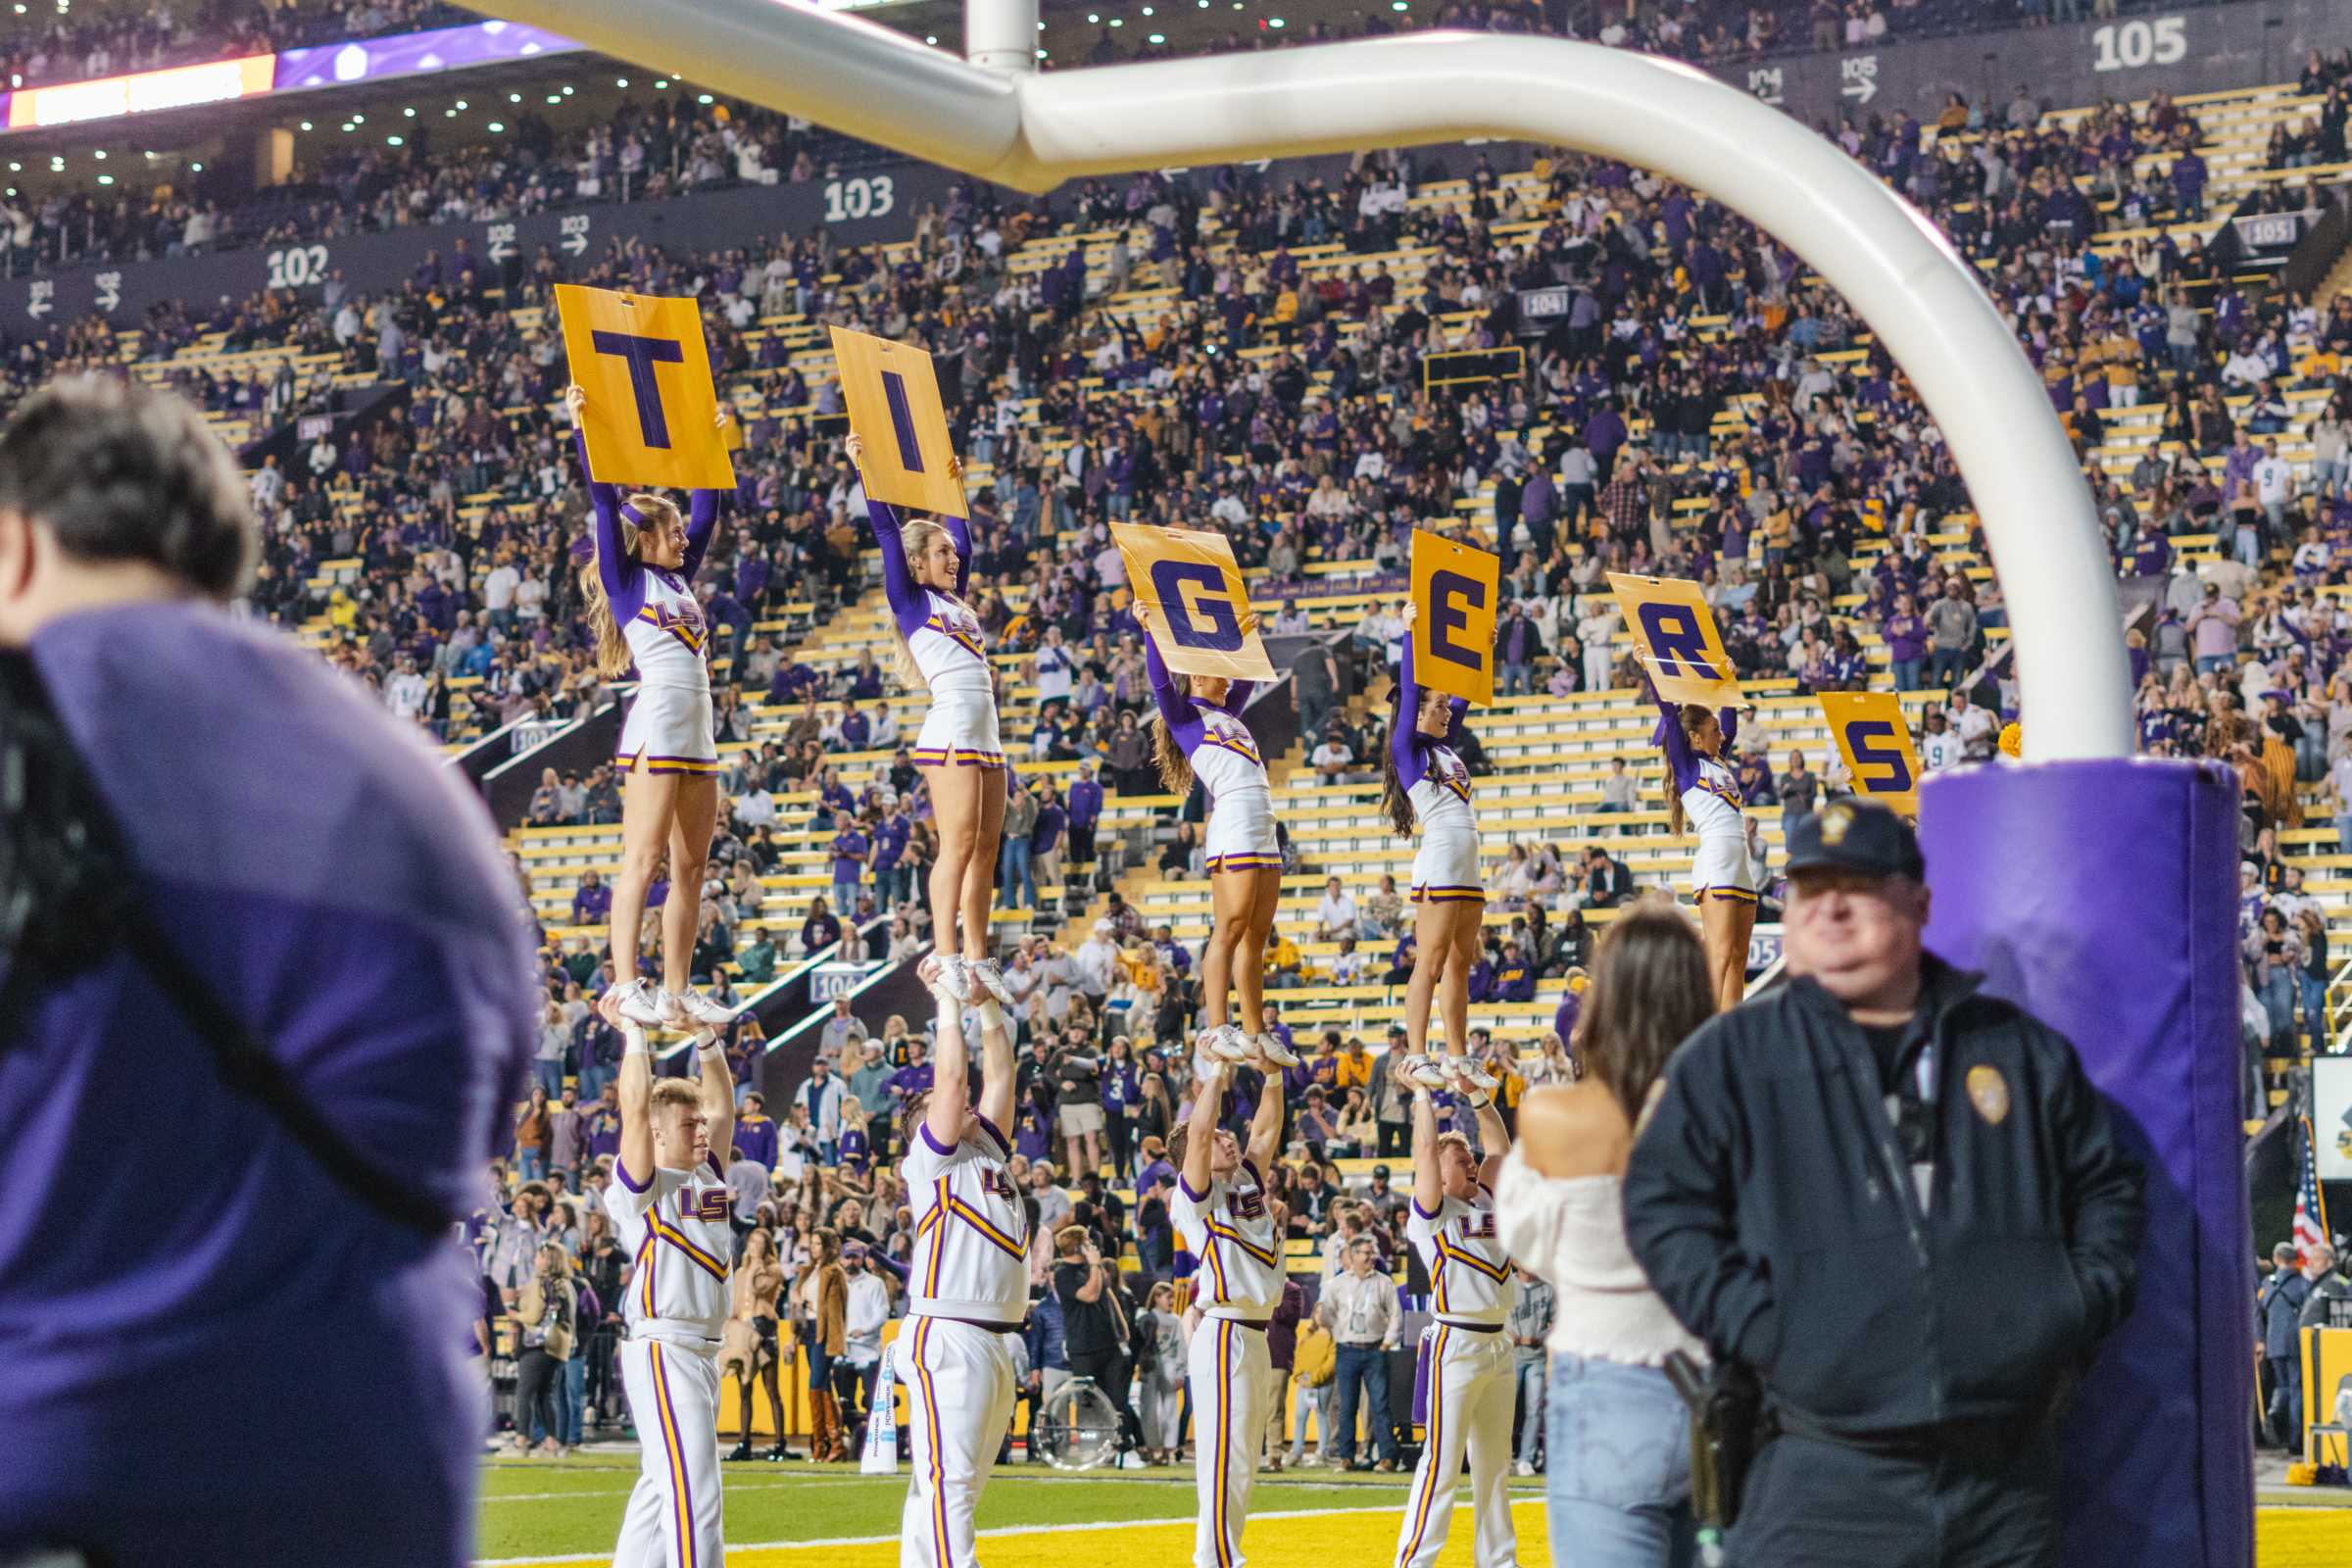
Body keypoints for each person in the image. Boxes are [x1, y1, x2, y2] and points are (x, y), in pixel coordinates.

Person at [0, 375, 538, 1565]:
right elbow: (489, 1103)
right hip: (370, 1490)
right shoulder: (422, 791)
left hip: (56, 1482)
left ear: (14, 544)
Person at [1623, 802, 2144, 1567]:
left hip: (2003, 1482)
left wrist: (2067, 1302)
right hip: (1819, 1474)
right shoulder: (1730, 1059)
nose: (1830, 908)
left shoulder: (2017, 1051)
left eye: (1859, 886)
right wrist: (1766, 1328)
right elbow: (1661, 1207)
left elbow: (2109, 1191)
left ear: (1920, 903)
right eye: (1809, 889)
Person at [1498, 905, 1716, 1566]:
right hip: (1721, 1390)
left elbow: (1527, 1242)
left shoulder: (1552, 1115)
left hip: (1605, 1386)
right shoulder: (1734, 1109)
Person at [565, 383, 738, 1030]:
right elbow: (604, 500)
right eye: (667, 532)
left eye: (675, 530)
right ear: (645, 540)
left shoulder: (677, 580)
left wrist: (711, 446)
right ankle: (625, 984)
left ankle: (676, 990)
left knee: (692, 866)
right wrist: (585, 427)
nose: (680, 538)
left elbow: (707, 511)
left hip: (698, 728)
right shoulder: (626, 577)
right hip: (659, 722)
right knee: (643, 858)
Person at [847, 431, 1010, 1006]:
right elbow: (888, 533)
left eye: (951, 552)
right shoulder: (911, 600)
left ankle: (975, 953)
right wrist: (866, 466)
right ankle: (943, 955)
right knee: (958, 846)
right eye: (941, 554)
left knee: (986, 851)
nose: (953, 557)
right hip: (952, 732)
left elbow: (962, 534)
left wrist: (952, 484)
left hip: (984, 734)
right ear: (916, 564)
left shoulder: (956, 601)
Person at [898, 952, 1026, 1568]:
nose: (956, 1099)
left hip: (991, 1337)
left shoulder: (986, 1153)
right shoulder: (935, 1158)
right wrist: (947, 1000)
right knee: (951, 1483)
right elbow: (951, 1084)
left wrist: (988, 1006)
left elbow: (1000, 1078)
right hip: (948, 1330)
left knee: (953, 1482)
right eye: (938, 1104)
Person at [598, 1003, 736, 1568]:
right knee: (696, 1492)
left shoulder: (707, 1175)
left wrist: (705, 1038)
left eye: (699, 1122)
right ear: (657, 1134)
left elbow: (722, 1104)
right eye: (689, 1124)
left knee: (661, 1489)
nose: (702, 1129)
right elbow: (633, 1111)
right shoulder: (640, 1187)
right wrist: (635, 1033)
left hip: (700, 1351)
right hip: (664, 1346)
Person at [1147, 636, 1298, 1071]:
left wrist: (1249, 638)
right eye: (1218, 673)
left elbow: (1249, 675)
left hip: (1263, 821)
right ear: (1196, 677)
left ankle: (1256, 1032)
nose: (1228, 679)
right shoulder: (1186, 717)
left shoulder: (1227, 714)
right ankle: (1216, 1026)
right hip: (1233, 820)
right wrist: (1149, 632)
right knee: (1229, 927)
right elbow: (1160, 682)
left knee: (1256, 936)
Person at [1395, 1036, 1518, 1568]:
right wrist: (1422, 1096)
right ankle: (1414, 1562)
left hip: (1500, 1344)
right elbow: (1424, 1152)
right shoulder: (1431, 1214)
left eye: (1466, 1155)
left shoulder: (1489, 1197)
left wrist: (1475, 1097)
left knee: (1495, 1469)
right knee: (1442, 1468)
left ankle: (1499, 1561)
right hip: (1456, 1343)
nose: (1469, 1161)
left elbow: (1499, 1150)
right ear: (1438, 1174)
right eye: (1457, 1157)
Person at [1172, 1046, 1288, 1568]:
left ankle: (1220, 1553)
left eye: (1225, 1133)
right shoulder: (1193, 1195)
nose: (1226, 1136)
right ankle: (1218, 1559)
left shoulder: (1244, 1184)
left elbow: (1263, 1135)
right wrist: (1216, 1071)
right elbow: (1197, 1135)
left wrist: (1272, 1079)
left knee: (1243, 1459)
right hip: (1224, 1331)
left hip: (1255, 1332)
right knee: (1224, 1457)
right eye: (1219, 1137)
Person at [1383, 612, 1499, 1101]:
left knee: (1460, 965)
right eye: (1439, 706)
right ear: (1418, 713)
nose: (1447, 711)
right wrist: (1411, 632)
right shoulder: (1407, 748)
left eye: (1447, 708)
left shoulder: (1446, 748)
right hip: (1441, 860)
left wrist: (1483, 651)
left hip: (1467, 862)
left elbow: (1466, 694)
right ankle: (1415, 1052)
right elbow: (1411, 692)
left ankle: (1456, 1056)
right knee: (1428, 964)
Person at [1651, 683, 1756, 1010]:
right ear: (1695, 737)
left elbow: (1732, 724)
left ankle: (1730, 1028)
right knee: (1721, 952)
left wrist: (1727, 681)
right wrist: (1650, 672)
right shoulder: (1687, 767)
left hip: (1741, 861)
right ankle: (1704, 1030)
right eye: (1714, 732)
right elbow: (1669, 714)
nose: (1721, 737)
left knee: (1740, 957)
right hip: (1717, 862)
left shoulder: (1717, 762)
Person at [1319, 1232, 1400, 1471]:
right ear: (1351, 1256)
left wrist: (1387, 1342)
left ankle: (1386, 1457)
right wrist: (1338, 1334)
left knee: (1380, 1405)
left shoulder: (1384, 1282)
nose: (1371, 1257)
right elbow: (1326, 1313)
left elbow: (1395, 1315)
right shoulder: (1337, 1283)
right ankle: (1346, 1457)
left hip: (1375, 1348)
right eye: (1366, 1253)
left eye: (1372, 1253)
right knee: (1347, 1406)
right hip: (1347, 1349)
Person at [721, 1227, 792, 1462]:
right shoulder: (739, 1272)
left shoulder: (772, 1270)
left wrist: (756, 1265)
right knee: (744, 1388)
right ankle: (744, 1442)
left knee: (771, 1388)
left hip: (764, 1330)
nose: (754, 1247)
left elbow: (758, 1289)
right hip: (744, 1332)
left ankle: (780, 1442)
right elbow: (735, 1303)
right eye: (752, 1243)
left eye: (760, 1243)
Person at [512, 1243, 579, 1456]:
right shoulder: (567, 1284)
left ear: (549, 1260)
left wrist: (515, 1314)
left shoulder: (541, 1283)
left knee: (524, 1393)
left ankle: (521, 1440)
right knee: (545, 1394)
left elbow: (532, 1316)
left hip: (538, 1344)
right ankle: (551, 1442)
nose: (536, 1261)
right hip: (560, 1345)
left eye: (540, 1257)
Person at [2260, 1240, 2313, 1447]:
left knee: (2282, 1386)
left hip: (2273, 1341)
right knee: (2296, 1388)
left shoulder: (2267, 1283)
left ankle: (2273, 1411)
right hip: (2296, 1342)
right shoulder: (2303, 1283)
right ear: (2296, 1260)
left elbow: (2260, 1308)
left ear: (2276, 1259)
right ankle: (2295, 1439)